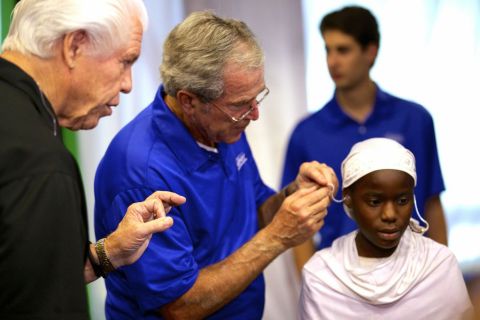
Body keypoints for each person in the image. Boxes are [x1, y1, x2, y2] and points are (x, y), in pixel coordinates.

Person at [94, 11, 337, 320]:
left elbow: (254, 215)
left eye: (256, 98)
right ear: (189, 101)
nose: (254, 115)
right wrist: (277, 237)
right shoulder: (141, 171)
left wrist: (293, 194)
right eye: (240, 105)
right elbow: (180, 306)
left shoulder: (224, 127)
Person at [0, 1, 187, 319]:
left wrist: (109, 252)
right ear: (74, 45)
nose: (128, 84)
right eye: (125, 61)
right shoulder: (39, 162)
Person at [281, 5, 448, 273]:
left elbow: (431, 202)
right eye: (327, 49)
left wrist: (441, 273)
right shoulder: (306, 133)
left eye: (343, 50)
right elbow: (297, 222)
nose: (332, 61)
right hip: (340, 278)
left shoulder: (415, 120)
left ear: (370, 52)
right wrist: (311, 284)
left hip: (414, 272)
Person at [299, 137, 473, 319]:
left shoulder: (439, 265)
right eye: (375, 201)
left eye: (402, 200)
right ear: (348, 197)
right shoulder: (322, 276)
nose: (390, 214)